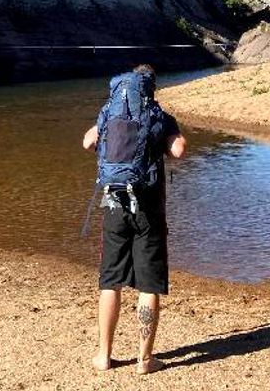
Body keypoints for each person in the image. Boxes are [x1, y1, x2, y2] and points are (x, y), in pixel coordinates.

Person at [82, 63, 187, 376]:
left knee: (110, 281)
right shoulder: (159, 116)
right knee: (148, 285)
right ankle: (144, 360)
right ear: (152, 88)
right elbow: (179, 150)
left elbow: (87, 142)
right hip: (149, 208)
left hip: (114, 203)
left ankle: (104, 355)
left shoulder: (110, 112)